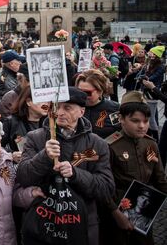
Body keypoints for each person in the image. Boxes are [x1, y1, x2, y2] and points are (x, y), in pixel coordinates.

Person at [16, 87, 115, 245]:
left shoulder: (98, 143)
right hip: (42, 224)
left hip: (82, 226)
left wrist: (76, 174)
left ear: (81, 112)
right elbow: (23, 177)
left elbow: (106, 189)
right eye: (56, 106)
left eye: (67, 108)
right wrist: (44, 156)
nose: (59, 112)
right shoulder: (35, 138)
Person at [100, 91, 167, 245]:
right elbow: (103, 186)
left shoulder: (151, 144)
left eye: (146, 120)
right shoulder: (110, 146)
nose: (142, 126)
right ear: (121, 119)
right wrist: (115, 213)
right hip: (116, 208)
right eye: (135, 121)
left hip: (143, 210)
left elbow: (160, 179)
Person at [75, 69, 120, 138]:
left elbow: (119, 131)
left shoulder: (114, 109)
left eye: (87, 93)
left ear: (100, 91)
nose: (82, 95)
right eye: (79, 91)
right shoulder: (72, 108)